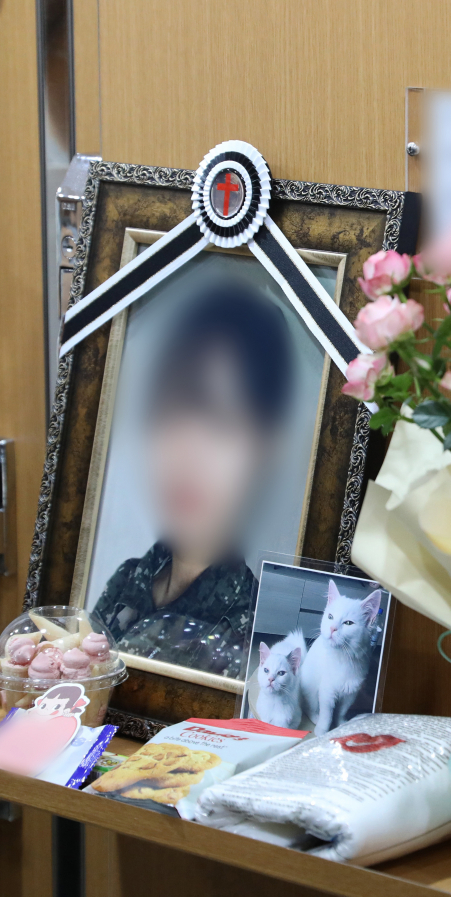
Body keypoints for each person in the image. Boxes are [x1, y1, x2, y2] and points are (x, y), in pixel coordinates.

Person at [92, 282, 294, 676]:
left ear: (267, 446)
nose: (186, 456)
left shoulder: (259, 627)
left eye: (221, 423)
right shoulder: (128, 579)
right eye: (167, 413)